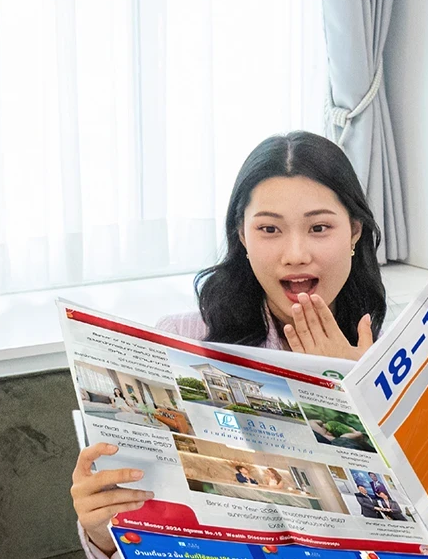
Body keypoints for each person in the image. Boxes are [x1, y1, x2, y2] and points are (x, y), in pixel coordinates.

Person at [70, 132, 389, 558]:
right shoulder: (183, 338)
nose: (295, 254)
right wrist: (101, 532)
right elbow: (149, 529)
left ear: (354, 232)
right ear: (242, 235)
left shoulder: (395, 353)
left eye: (319, 228)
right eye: (269, 229)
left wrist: (357, 390)